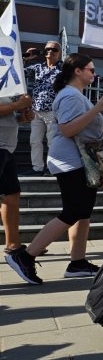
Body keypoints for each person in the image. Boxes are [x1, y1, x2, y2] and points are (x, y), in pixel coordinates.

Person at [5, 54, 103, 284]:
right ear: (78, 71)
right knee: (74, 210)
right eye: (91, 69)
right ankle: (25, 256)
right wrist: (97, 109)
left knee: (83, 212)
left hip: (78, 160)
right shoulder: (70, 96)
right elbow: (68, 129)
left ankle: (78, 262)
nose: (94, 73)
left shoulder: (75, 95)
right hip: (69, 161)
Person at [0, 94, 33, 255]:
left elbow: (7, 117)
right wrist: (17, 105)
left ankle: (13, 244)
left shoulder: (6, 85)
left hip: (7, 149)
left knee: (12, 195)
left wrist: (22, 117)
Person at [23, 41, 62, 175]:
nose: (50, 51)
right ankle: (37, 168)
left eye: (54, 49)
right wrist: (26, 58)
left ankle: (52, 168)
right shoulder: (37, 67)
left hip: (53, 111)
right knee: (35, 141)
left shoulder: (63, 69)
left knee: (52, 142)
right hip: (36, 110)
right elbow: (19, 74)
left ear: (59, 53)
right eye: (47, 49)